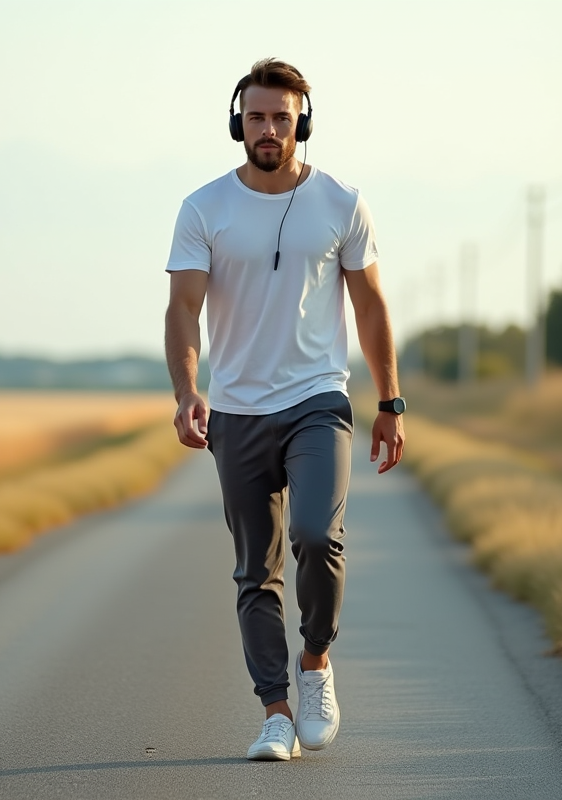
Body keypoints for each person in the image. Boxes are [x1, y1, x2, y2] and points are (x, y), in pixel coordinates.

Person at [163, 57, 404, 761]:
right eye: (258, 116)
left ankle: (316, 664)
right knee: (254, 569)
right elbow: (182, 310)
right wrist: (186, 393)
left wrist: (390, 400)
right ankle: (275, 713)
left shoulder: (342, 202)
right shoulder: (203, 208)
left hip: (317, 399)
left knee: (314, 535)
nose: (269, 128)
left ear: (303, 120)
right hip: (236, 410)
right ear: (239, 121)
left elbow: (370, 305)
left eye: (282, 116)